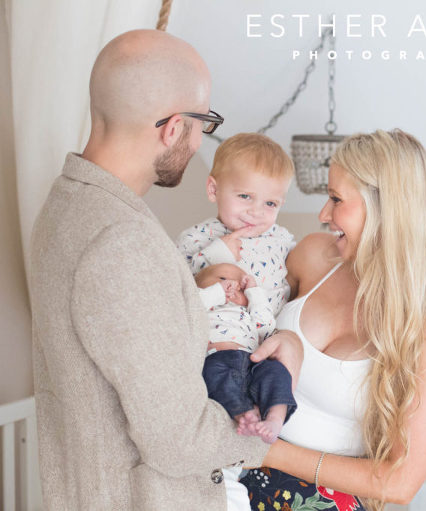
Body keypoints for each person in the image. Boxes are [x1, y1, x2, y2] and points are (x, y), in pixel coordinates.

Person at [28, 30, 301, 510]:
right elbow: (180, 441)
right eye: (204, 123)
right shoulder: (122, 239)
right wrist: (272, 419)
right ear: (174, 128)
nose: (200, 141)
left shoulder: (64, 205)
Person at [241, 129, 426, 511]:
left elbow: (399, 482)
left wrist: (264, 452)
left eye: (336, 199)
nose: (323, 215)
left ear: (386, 209)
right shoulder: (312, 257)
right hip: (229, 484)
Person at [176, 132, 296, 441]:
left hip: (262, 348)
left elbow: (296, 281)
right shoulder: (196, 239)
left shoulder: (281, 239)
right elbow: (183, 292)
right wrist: (217, 254)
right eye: (245, 196)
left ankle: (273, 420)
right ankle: (242, 415)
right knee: (219, 381)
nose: (257, 212)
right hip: (220, 346)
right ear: (214, 189)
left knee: (278, 377)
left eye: (270, 203)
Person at [196, 262, 296, 443]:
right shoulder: (201, 306)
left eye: (242, 288)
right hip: (217, 359)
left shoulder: (247, 313)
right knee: (211, 375)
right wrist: (217, 293)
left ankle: (275, 419)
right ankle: (244, 414)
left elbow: (266, 328)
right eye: (223, 279)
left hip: (252, 361)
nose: (234, 285)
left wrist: (254, 294)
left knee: (278, 371)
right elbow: (192, 304)